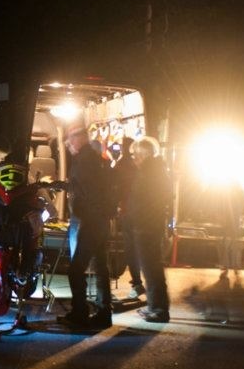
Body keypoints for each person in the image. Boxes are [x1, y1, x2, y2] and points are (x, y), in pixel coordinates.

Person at [57, 123, 114, 330]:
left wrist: (80, 213)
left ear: (81, 138)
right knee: (100, 268)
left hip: (89, 221)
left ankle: (79, 313)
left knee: (75, 269)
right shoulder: (96, 159)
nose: (69, 142)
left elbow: (86, 192)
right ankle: (103, 313)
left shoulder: (84, 161)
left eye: (71, 137)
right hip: (100, 221)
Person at [126, 136, 172, 323]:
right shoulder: (156, 171)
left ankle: (159, 309)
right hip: (148, 225)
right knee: (151, 267)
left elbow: (145, 201)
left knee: (152, 268)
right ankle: (154, 306)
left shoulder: (149, 173)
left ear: (144, 154)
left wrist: (138, 218)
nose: (134, 159)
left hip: (147, 227)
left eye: (136, 155)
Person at [113, 135, 145, 300]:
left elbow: (114, 187)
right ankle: (138, 282)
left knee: (131, 248)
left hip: (128, 211)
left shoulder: (122, 165)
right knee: (139, 249)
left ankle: (137, 283)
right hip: (140, 212)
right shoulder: (139, 166)